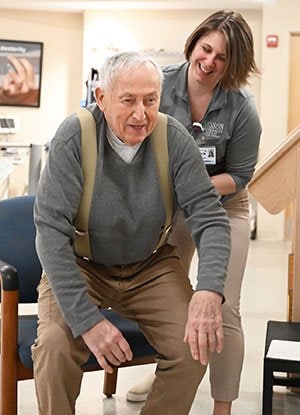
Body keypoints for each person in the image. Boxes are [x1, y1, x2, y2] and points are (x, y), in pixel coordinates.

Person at [32, 51, 231, 415]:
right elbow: (49, 232)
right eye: (128, 100)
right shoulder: (73, 138)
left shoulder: (174, 139)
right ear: (102, 98)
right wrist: (88, 322)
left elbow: (210, 217)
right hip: (83, 264)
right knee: (54, 346)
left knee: (193, 346)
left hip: (149, 265)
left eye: (150, 100)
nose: (141, 114)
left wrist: (208, 290)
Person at [126, 10, 262, 415]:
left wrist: (190, 185)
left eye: (222, 57)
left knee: (222, 304)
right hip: (173, 208)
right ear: (193, 43)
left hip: (226, 208)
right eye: (206, 49)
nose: (210, 62)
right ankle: (166, 370)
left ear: (233, 64)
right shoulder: (158, 85)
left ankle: (223, 405)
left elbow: (239, 176)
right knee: (170, 297)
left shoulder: (242, 107)